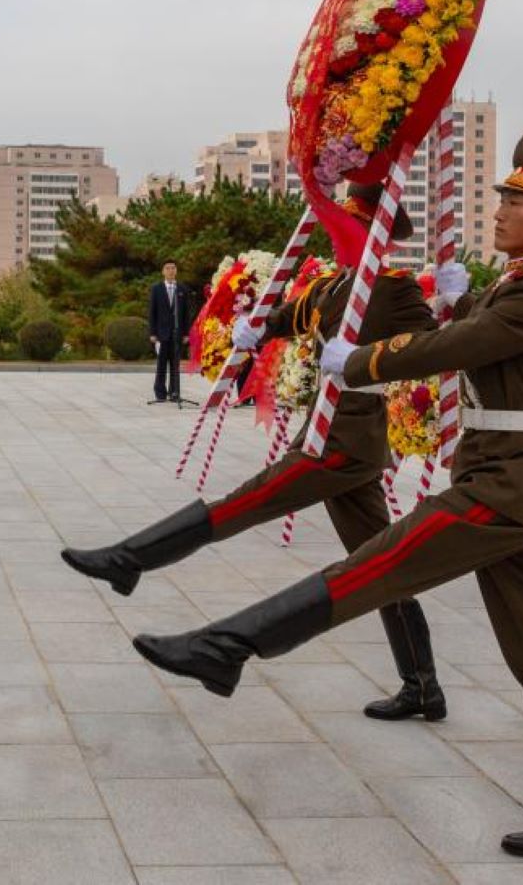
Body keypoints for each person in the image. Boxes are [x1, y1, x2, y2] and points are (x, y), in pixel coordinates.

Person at [125, 132, 523, 861]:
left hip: (506, 486)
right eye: (505, 197)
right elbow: (469, 340)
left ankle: (229, 646)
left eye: (518, 201)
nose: (502, 209)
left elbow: (451, 352)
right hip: (507, 478)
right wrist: (454, 308)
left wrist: (357, 361)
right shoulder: (517, 285)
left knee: (378, 563)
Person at [64, 184, 455, 721]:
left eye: (352, 228)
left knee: (246, 502)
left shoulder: (392, 290)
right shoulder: (330, 284)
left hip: (345, 440)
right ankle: (423, 686)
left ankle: (130, 560)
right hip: (329, 432)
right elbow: (291, 317)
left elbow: (435, 348)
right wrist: (257, 327)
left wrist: (376, 354)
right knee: (379, 566)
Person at [149, 260, 192, 403]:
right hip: (161, 334)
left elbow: (186, 313)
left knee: (175, 364)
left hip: (177, 334)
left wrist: (186, 333)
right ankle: (160, 393)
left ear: (176, 270)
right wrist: (153, 333)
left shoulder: (182, 289)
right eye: (167, 268)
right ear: (163, 271)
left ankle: (174, 391)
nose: (171, 271)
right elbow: (152, 312)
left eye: (173, 268)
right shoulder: (156, 289)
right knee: (161, 364)